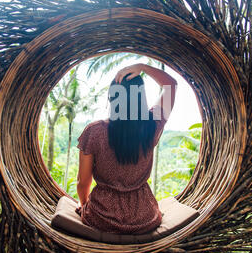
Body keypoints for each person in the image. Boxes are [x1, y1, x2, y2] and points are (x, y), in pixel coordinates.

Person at [75, 63, 177, 234]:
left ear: (112, 97)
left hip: (101, 217)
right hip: (144, 219)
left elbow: (83, 182)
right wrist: (143, 67)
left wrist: (84, 205)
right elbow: (171, 85)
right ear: (140, 97)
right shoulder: (152, 125)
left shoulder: (94, 132)